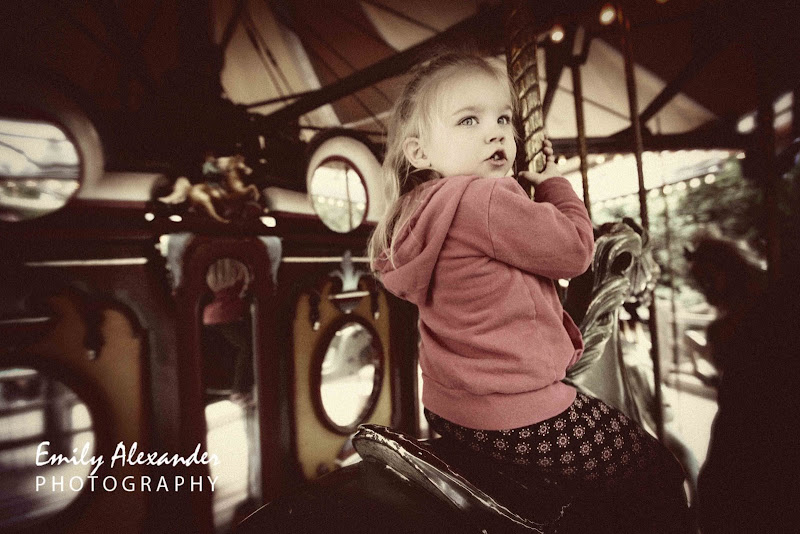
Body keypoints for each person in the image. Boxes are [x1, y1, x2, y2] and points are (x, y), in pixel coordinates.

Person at [368, 53, 689, 531]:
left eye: (503, 119)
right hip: (519, 413)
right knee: (658, 471)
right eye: (469, 120)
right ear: (419, 152)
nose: (496, 133)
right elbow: (576, 251)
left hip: (448, 408)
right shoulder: (484, 200)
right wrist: (555, 185)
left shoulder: (419, 213)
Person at [688, 236, 800, 533]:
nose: (706, 291)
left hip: (757, 430)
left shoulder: (755, 315)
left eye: (708, 280)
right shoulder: (748, 312)